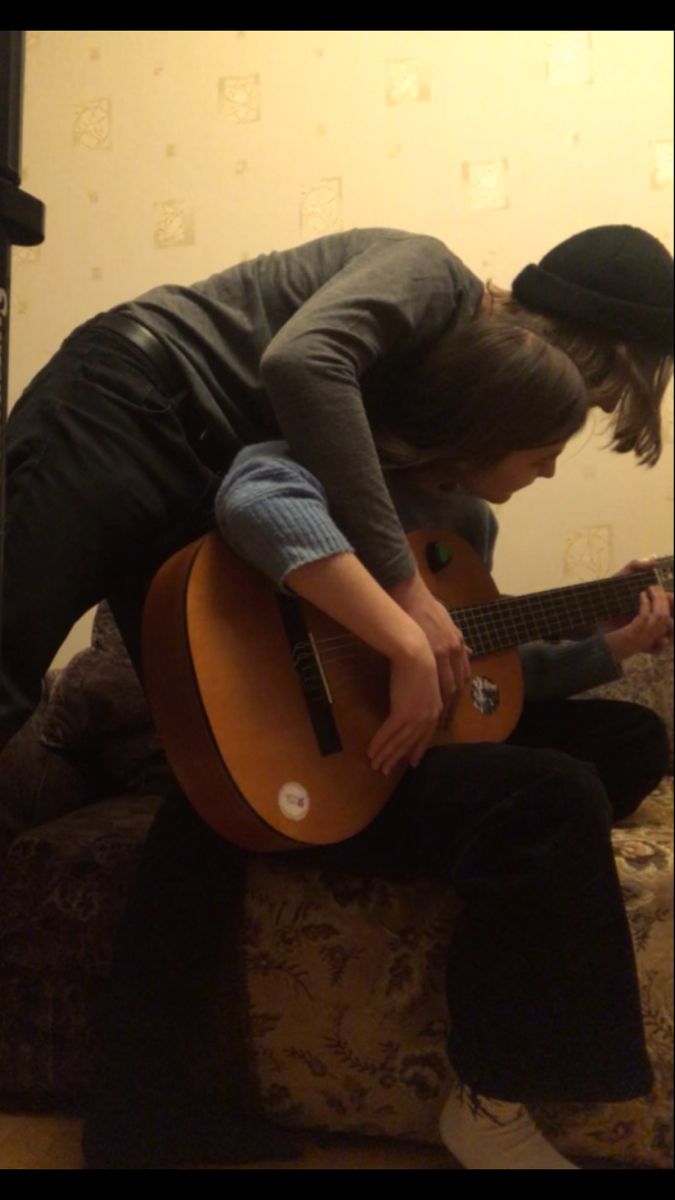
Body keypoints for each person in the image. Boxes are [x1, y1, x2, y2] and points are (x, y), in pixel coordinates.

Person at [0, 224, 672, 1168]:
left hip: (357, 704)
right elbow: (283, 417)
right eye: (551, 437)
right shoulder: (419, 294)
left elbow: (478, 661)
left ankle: (156, 1103)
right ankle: (160, 1105)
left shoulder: (458, 517)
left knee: (626, 736)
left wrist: (609, 645)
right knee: (87, 714)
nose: (556, 463)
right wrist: (402, 617)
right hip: (122, 404)